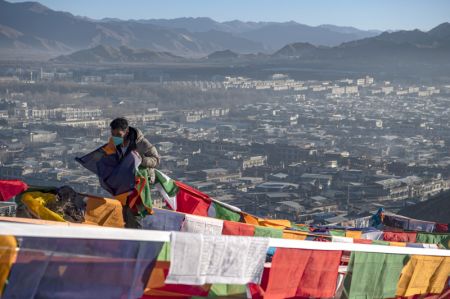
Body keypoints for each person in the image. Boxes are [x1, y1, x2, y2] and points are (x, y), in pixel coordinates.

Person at [109, 117, 160, 228]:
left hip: (139, 184)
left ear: (126, 132)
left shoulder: (141, 143)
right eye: (113, 134)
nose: (115, 137)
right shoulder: (115, 142)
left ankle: (137, 240)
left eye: (118, 134)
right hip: (124, 183)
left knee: (135, 213)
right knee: (123, 214)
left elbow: (156, 160)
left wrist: (141, 160)